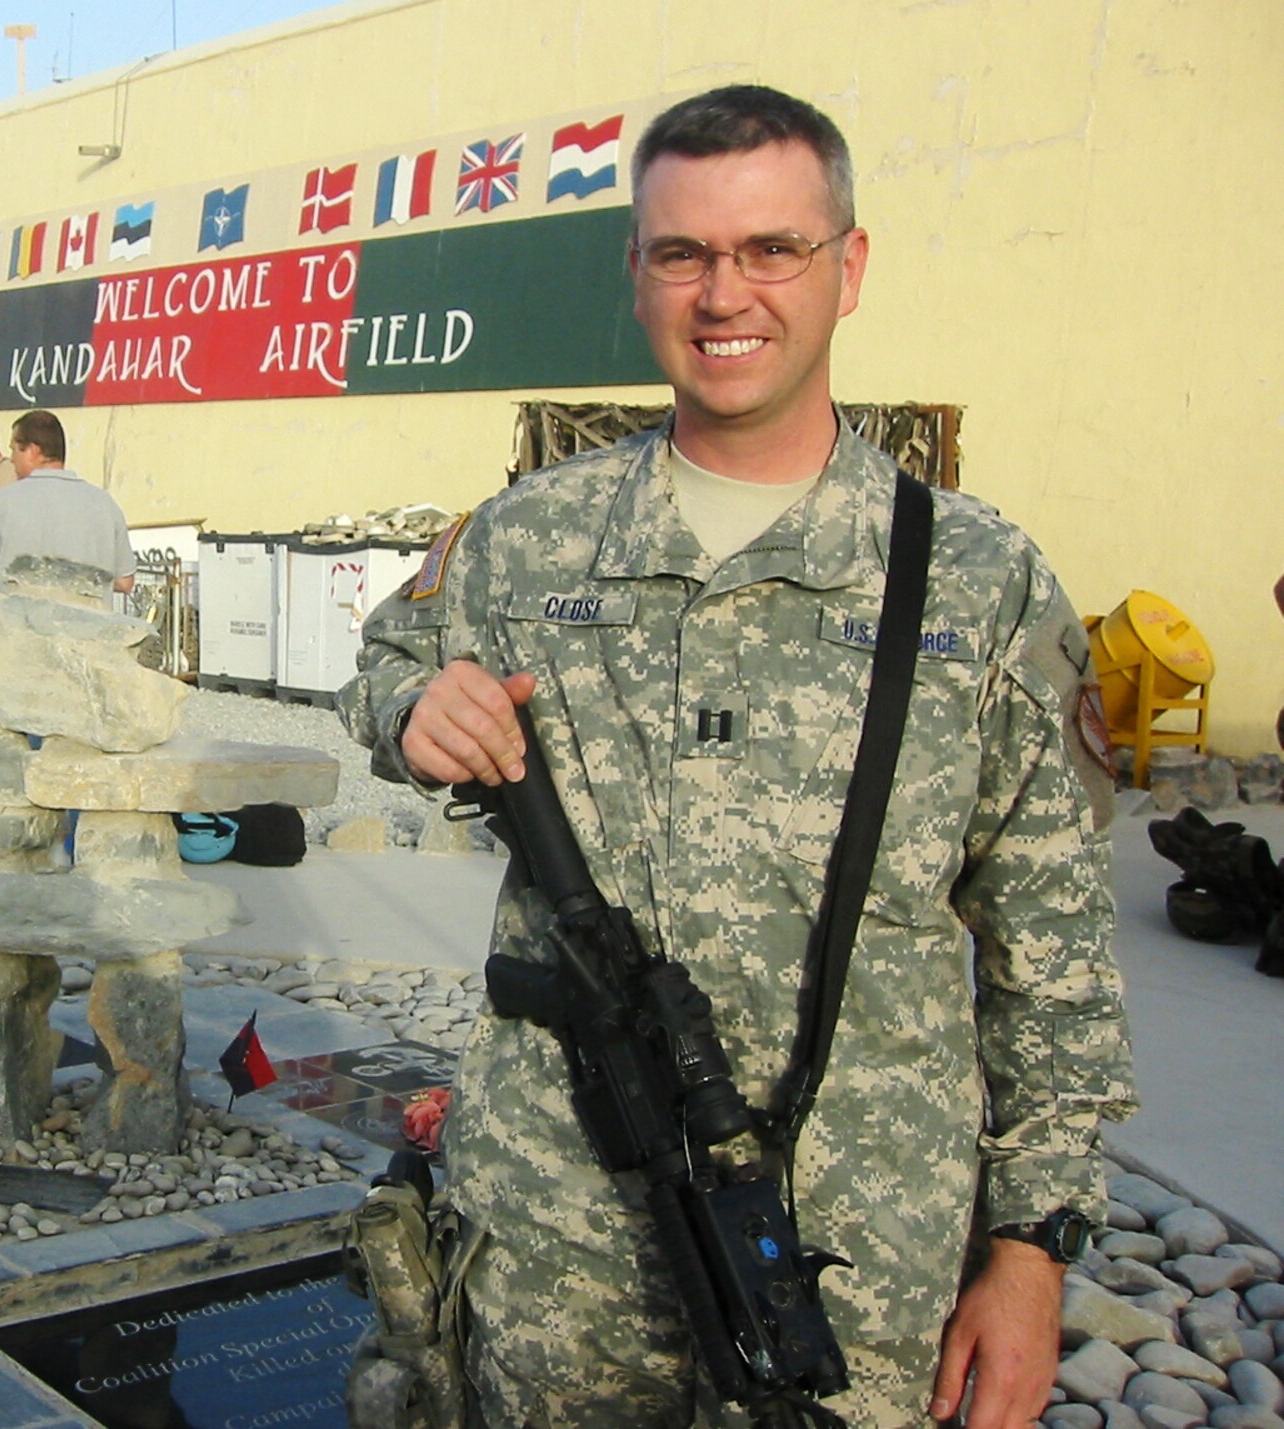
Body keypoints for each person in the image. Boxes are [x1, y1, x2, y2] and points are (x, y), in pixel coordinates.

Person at [339, 84, 1134, 1429]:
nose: (725, 294)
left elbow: (1051, 949)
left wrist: (1030, 1249)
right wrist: (414, 710)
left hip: (850, 1260)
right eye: (683, 253)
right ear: (636, 275)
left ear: (848, 268)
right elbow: (382, 664)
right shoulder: (529, 539)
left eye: (773, 248)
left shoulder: (977, 581)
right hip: (557, 1244)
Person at [0, 409, 135, 630]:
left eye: (14, 449)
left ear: (33, 451)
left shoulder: (0, 504)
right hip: (89, 642)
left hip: (22, 641)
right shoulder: (106, 506)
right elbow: (125, 582)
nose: (12, 459)